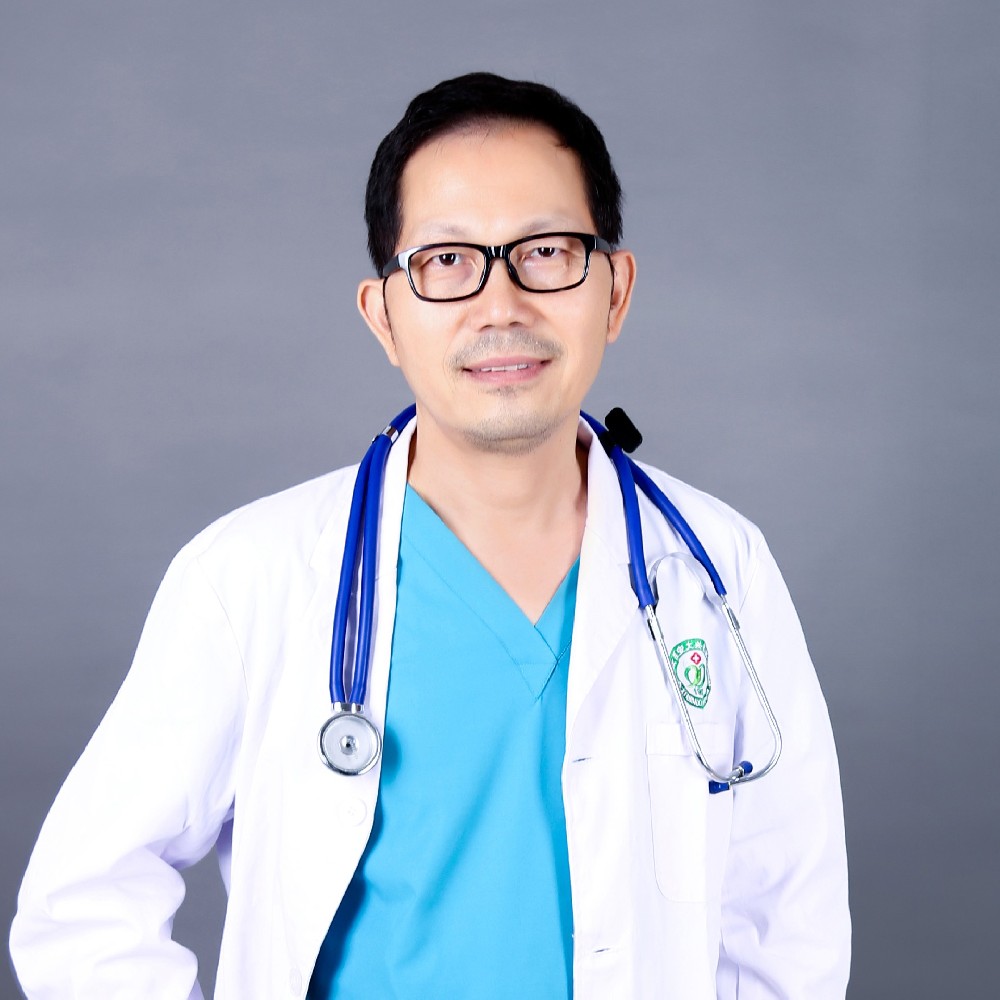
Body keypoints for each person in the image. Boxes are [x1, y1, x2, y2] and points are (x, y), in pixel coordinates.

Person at [10, 73, 850, 999]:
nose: (502, 306)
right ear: (384, 315)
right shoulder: (247, 577)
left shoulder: (717, 569)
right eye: (447, 261)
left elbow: (786, 921)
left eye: (547, 251)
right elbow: (84, 903)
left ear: (615, 291)